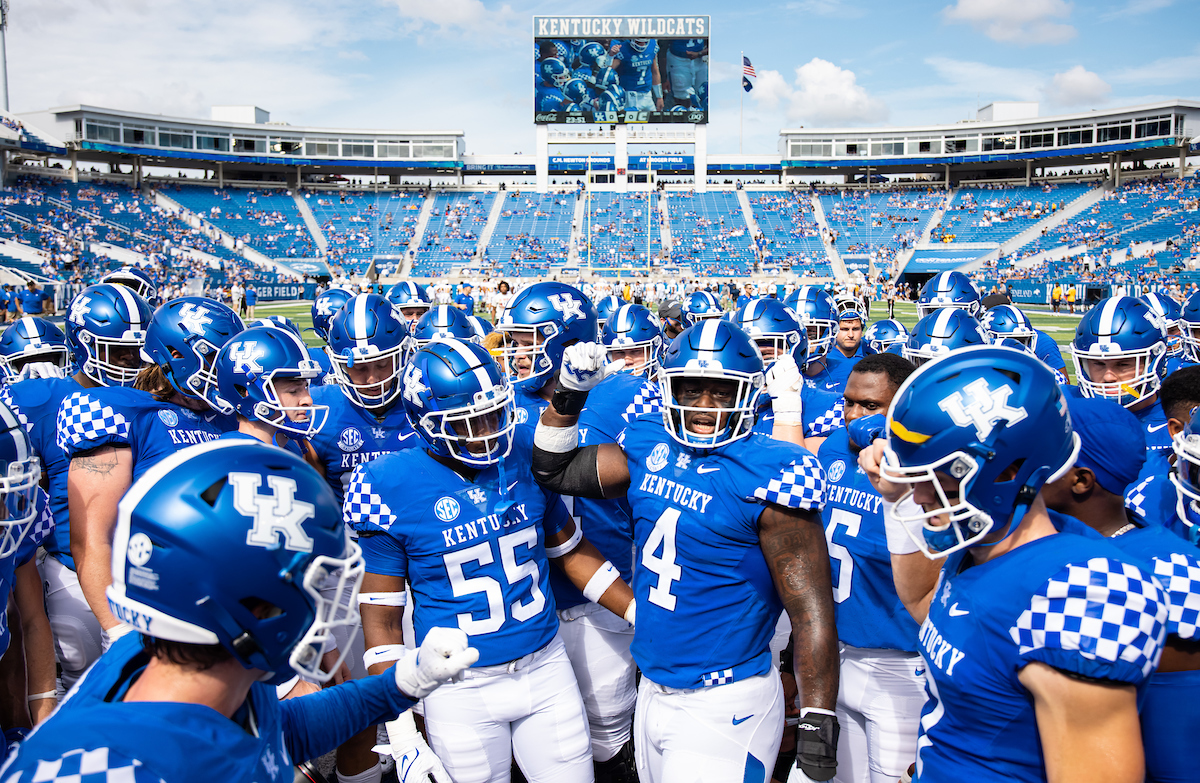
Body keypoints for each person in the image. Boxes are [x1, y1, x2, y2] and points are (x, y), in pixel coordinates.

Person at [0, 440, 479, 783]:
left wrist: (402, 683)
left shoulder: (196, 665)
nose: (323, 607)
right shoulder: (102, 768)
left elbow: (279, 731)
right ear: (254, 607)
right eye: (312, 585)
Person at [532, 320, 840, 783]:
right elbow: (554, 471)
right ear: (668, 388)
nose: (704, 406)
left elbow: (812, 610)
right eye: (691, 390)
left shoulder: (773, 471)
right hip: (654, 687)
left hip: (726, 698)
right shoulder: (649, 441)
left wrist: (818, 716)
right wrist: (568, 396)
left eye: (721, 391)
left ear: (749, 392)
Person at [860, 345, 1167, 782]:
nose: (922, 496)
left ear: (1007, 472)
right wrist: (897, 501)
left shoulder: (1079, 592)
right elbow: (925, 602)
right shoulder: (985, 545)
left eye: (939, 479)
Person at [350, 339, 635, 783]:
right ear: (425, 422)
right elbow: (382, 620)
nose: (487, 430)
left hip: (546, 665)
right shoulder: (389, 484)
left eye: (494, 414)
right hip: (458, 686)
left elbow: (570, 551)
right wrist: (402, 732)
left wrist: (638, 613)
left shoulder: (522, 449)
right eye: (468, 422)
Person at [59, 296, 242, 651]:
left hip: (227, 604)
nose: (224, 370)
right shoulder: (120, 411)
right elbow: (92, 539)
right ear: (175, 355)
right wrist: (119, 631)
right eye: (214, 359)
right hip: (149, 605)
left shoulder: (229, 416)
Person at [0, 284, 153, 694]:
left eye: (138, 351)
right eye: (118, 352)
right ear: (83, 345)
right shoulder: (38, 399)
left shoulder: (153, 399)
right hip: (71, 565)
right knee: (79, 678)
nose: (132, 362)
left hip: (146, 568)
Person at [1044, 396, 1200, 783]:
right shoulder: (1045, 545)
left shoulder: (1171, 575)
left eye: (1040, 456)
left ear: (1081, 479)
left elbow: (1177, 751)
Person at [815, 353, 934, 783]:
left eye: (870, 405)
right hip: (834, 656)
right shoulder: (833, 448)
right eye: (849, 402)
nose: (853, 415)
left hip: (901, 665)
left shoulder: (925, 467)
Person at [1071, 296, 1171, 483]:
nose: (1109, 377)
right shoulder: (1064, 407)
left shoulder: (1177, 420)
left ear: (1155, 362)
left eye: (1123, 364)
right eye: (1098, 363)